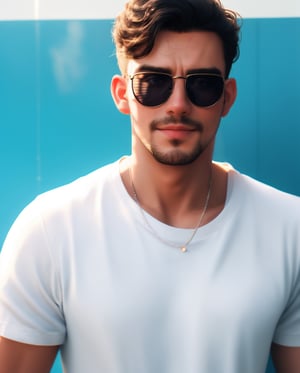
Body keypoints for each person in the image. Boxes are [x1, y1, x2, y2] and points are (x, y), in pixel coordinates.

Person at [0, 0, 300, 372]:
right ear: (122, 94)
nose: (177, 104)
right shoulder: (50, 231)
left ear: (227, 97)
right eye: (153, 83)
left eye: (202, 85)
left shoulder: (289, 229)